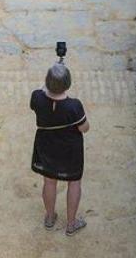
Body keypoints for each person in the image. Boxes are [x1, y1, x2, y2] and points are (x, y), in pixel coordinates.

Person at [30, 62, 89, 235]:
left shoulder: (37, 98)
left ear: (47, 82)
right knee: (74, 182)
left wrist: (48, 84)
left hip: (46, 147)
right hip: (70, 151)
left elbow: (41, 93)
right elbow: (84, 128)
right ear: (68, 84)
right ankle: (71, 225)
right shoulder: (74, 106)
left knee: (49, 181)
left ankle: (49, 217)